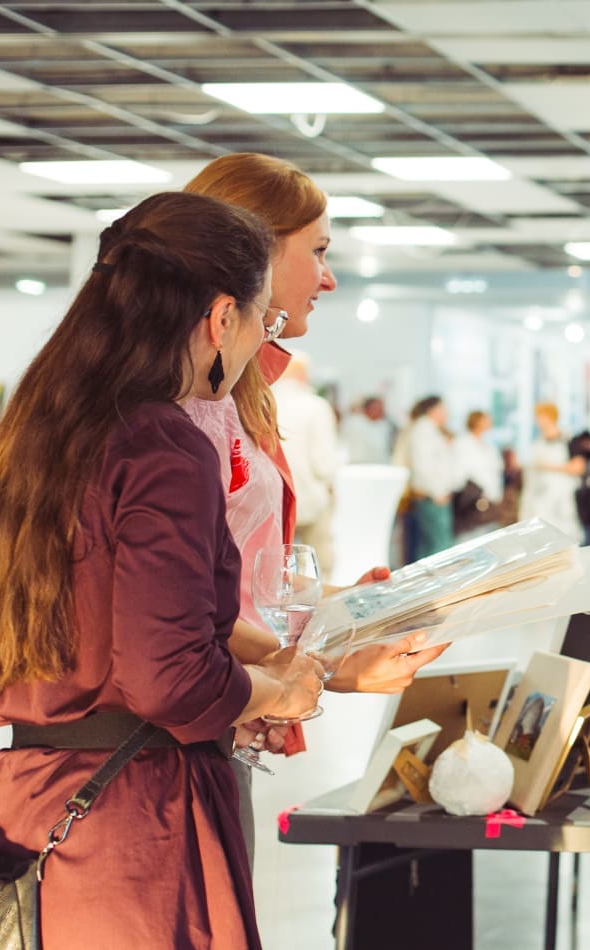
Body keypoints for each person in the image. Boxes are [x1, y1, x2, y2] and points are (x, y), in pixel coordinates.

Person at [0, 192, 326, 950]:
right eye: (262, 321)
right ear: (221, 319)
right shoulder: (161, 441)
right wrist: (280, 689)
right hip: (128, 825)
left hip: (19, 805)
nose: (261, 340)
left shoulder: (43, 426)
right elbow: (169, 679)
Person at [183, 153, 442, 853]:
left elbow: (229, 587)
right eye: (318, 253)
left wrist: (332, 626)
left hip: (218, 727)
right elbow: (180, 606)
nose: (328, 278)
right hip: (169, 745)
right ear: (253, 255)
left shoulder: (239, 395)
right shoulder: (185, 410)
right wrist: (320, 658)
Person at [271, 352, 339, 570]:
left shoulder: (265, 400)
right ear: (303, 374)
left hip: (274, 499)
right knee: (315, 569)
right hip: (312, 498)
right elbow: (323, 463)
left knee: (275, 569)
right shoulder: (316, 406)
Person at [404, 395, 458, 559]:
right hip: (432, 497)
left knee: (434, 548)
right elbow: (423, 466)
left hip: (435, 496)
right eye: (443, 409)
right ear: (432, 410)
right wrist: (436, 493)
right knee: (437, 551)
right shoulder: (423, 430)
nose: (446, 413)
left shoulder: (430, 430)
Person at [520, 402, 583, 537]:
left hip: (563, 503)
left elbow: (578, 467)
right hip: (541, 502)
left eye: (542, 416)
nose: (539, 421)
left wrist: (549, 466)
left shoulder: (569, 440)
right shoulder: (537, 444)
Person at [343, 395, 396, 465]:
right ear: (367, 408)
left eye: (381, 408)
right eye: (376, 408)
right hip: (357, 465)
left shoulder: (384, 426)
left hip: (381, 465)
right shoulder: (354, 423)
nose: (381, 411)